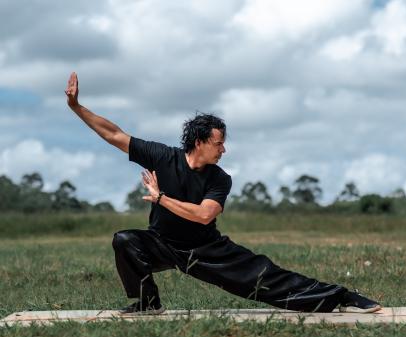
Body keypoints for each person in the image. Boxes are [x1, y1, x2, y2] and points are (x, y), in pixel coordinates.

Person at [65, 72, 382, 315]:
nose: (223, 149)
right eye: (218, 144)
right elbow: (114, 134)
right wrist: (77, 107)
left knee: (265, 278)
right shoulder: (163, 157)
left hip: (205, 249)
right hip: (162, 243)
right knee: (125, 240)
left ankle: (340, 296)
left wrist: (161, 199)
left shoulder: (219, 178)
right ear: (200, 142)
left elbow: (204, 215)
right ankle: (148, 303)